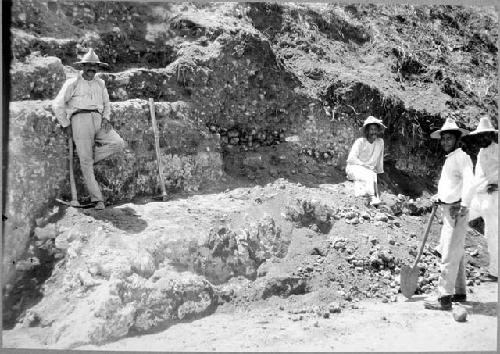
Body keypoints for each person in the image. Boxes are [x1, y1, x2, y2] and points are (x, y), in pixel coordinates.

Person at [52, 48, 125, 210]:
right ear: (82, 67)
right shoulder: (73, 83)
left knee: (118, 143)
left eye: (95, 66)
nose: (92, 69)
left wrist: (106, 118)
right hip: (80, 120)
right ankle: (97, 199)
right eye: (88, 66)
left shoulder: (100, 83)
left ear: (97, 68)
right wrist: (66, 124)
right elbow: (57, 105)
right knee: (86, 162)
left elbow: (107, 104)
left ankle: (87, 159)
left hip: (98, 120)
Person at [424, 118, 473, 310]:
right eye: (443, 138)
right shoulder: (451, 159)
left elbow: (470, 181)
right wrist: (439, 197)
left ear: (457, 140)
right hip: (449, 207)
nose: (445, 142)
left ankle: (444, 298)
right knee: (457, 252)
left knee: (448, 253)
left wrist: (464, 204)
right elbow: (452, 185)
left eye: (449, 138)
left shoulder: (462, 157)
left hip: (456, 210)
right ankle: (460, 292)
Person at [462, 116, 498, 282]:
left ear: (491, 135)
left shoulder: (497, 149)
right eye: (480, 136)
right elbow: (478, 178)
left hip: (493, 198)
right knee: (461, 216)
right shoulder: (482, 152)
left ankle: (495, 272)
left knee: (492, 234)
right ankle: (444, 249)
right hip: (478, 196)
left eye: (485, 135)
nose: (482, 138)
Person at [346, 116, 386, 206]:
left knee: (371, 173)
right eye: (371, 129)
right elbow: (351, 159)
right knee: (368, 173)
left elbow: (380, 160)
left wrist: (380, 173)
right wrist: (364, 165)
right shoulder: (360, 142)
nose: (374, 132)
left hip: (370, 170)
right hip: (354, 168)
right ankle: (372, 197)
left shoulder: (380, 142)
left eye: (375, 129)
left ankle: (374, 198)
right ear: (367, 131)